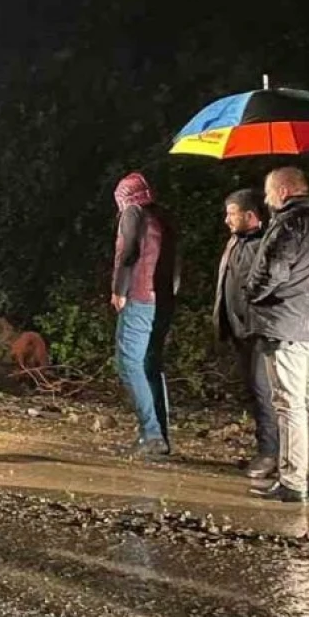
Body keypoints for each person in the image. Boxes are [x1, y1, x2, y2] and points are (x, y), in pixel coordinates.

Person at [244, 166, 309, 503]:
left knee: (289, 405)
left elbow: (274, 270)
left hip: (287, 327)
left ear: (283, 191)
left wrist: (252, 292)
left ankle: (292, 479)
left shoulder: (288, 224)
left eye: (269, 191)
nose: (267, 198)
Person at [110, 171, 180, 458]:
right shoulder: (165, 218)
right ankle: (160, 437)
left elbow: (127, 254)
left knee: (129, 363)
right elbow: (176, 267)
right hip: (163, 300)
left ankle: (151, 435)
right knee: (151, 364)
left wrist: (119, 290)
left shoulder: (133, 214)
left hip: (139, 296)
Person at [214, 189, 277, 478]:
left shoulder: (263, 245)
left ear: (250, 215)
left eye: (232, 213)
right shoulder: (235, 241)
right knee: (254, 391)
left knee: (265, 393)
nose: (227, 219)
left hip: (259, 332)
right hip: (239, 330)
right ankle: (266, 449)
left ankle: (270, 454)